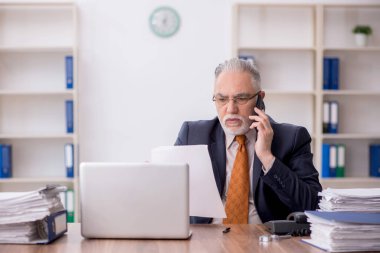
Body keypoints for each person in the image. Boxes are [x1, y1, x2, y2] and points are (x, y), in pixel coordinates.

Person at [175, 58, 322, 224]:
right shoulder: (192, 135)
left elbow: (313, 206)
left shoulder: (292, 138)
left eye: (241, 98)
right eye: (222, 99)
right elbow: (170, 195)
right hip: (206, 239)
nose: (231, 109)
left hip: (266, 241)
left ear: (260, 98)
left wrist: (267, 157)